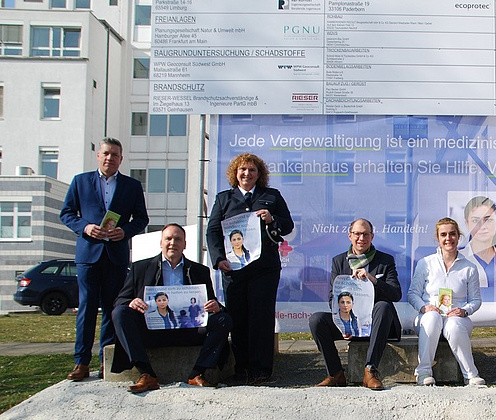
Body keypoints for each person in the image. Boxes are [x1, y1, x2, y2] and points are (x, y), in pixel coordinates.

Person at [59, 137, 149, 381]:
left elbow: (142, 219)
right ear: (98, 156)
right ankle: (81, 362)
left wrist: (125, 231)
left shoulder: (131, 186)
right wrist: (85, 227)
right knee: (87, 308)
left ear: (121, 159)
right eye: (106, 153)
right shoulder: (80, 182)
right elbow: (66, 213)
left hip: (116, 255)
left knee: (112, 308)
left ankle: (105, 359)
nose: (110, 158)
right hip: (89, 255)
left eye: (115, 155)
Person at [111, 224, 232, 393]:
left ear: (185, 244)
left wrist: (215, 306)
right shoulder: (140, 268)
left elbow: (210, 303)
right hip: (152, 329)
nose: (172, 243)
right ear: (161, 243)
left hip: (189, 330)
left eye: (178, 239)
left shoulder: (200, 271)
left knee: (223, 319)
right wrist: (131, 302)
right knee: (120, 312)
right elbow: (120, 300)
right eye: (168, 239)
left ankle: (197, 374)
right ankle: (147, 374)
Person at [207, 153, 294, 384]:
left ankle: (261, 370)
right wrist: (218, 260)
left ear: (259, 174)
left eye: (252, 170)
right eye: (242, 170)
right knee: (238, 318)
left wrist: (271, 219)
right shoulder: (224, 199)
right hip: (234, 269)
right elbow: (212, 231)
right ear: (235, 173)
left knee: (261, 318)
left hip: (264, 268)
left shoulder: (271, 196)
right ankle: (242, 368)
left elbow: (288, 226)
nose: (246, 174)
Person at [309, 218, 401, 390]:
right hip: (349, 323)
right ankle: (336, 374)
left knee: (383, 306)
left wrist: (373, 280)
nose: (361, 238)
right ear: (349, 236)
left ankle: (370, 371)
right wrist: (343, 324)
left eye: (366, 234)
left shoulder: (385, 260)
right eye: (357, 234)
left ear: (372, 236)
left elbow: (396, 294)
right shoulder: (339, 261)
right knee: (317, 319)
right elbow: (333, 297)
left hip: (378, 324)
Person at [408, 218, 485, 386]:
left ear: (459, 236)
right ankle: (423, 373)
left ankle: (471, 375)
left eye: (452, 234)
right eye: (443, 235)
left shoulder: (469, 267)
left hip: (456, 318)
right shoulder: (425, 263)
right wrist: (424, 307)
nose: (448, 238)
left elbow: (475, 300)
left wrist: (464, 310)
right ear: (438, 238)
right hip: (428, 317)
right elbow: (413, 294)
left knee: (453, 325)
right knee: (432, 318)